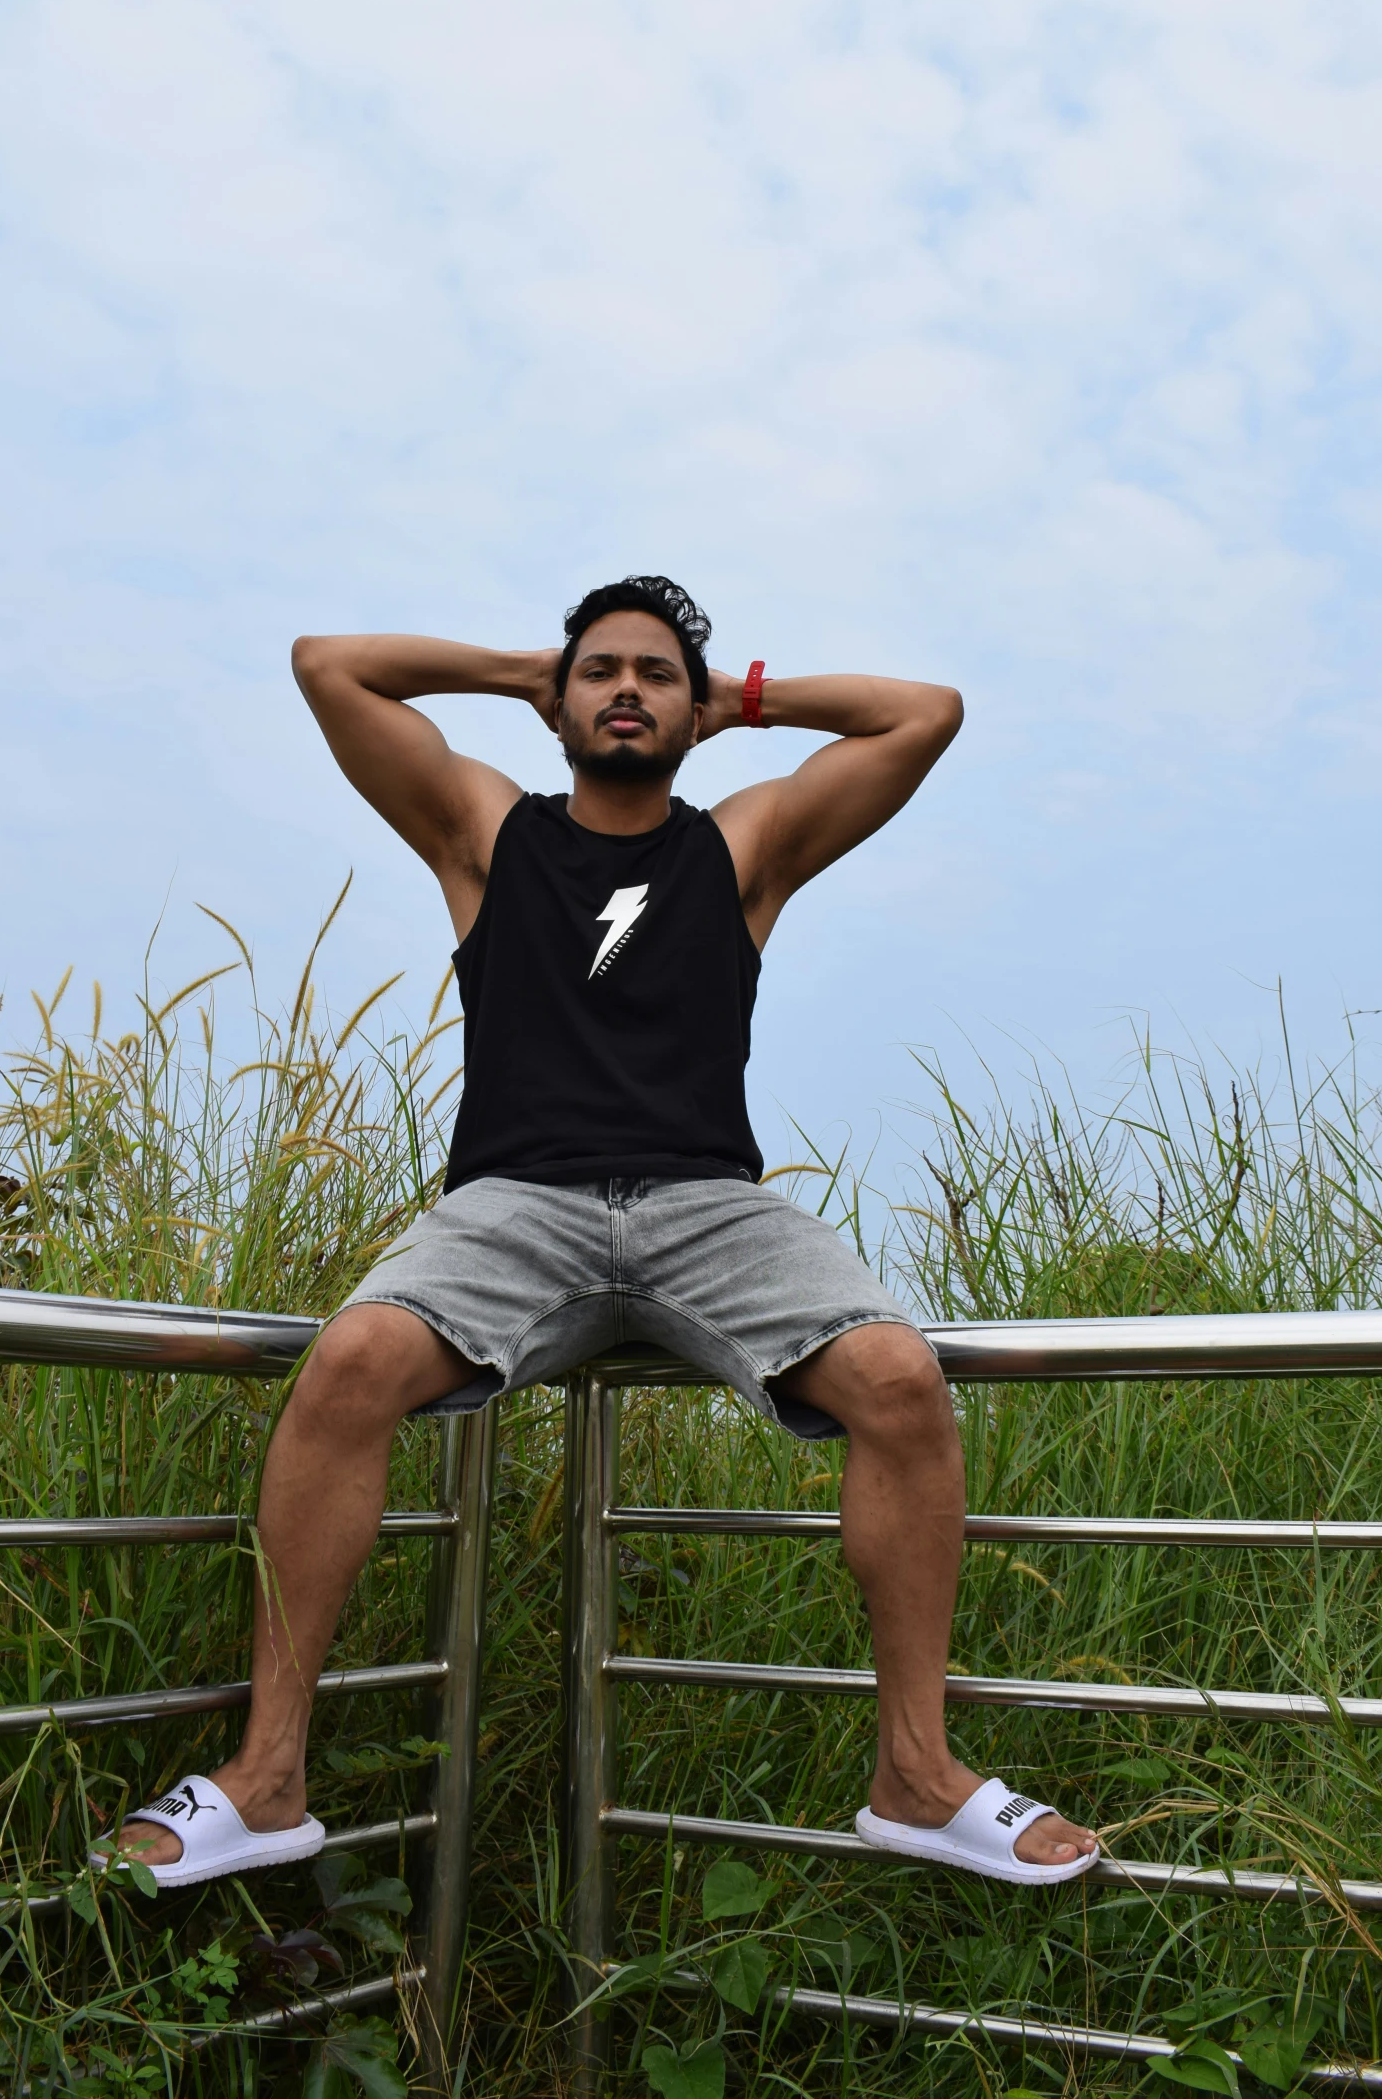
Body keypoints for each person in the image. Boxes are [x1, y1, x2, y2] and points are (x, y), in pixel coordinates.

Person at [109, 575, 1098, 1890]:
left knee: (897, 1375)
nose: (624, 687)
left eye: (652, 673)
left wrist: (740, 698)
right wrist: (522, 666)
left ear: (692, 712)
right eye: (599, 672)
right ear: (560, 702)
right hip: (514, 1204)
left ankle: (915, 1773)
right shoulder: (483, 831)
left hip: (706, 1205)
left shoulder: (738, 845)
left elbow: (923, 713)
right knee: (346, 1364)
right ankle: (265, 1775)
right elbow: (328, 662)